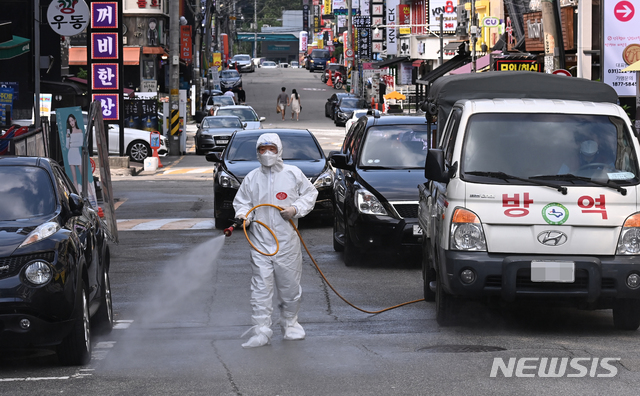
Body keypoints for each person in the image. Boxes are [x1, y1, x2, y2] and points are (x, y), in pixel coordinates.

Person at [233, 133, 318, 348]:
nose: (267, 153)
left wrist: (295, 209)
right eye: (262, 149)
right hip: (260, 241)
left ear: (279, 150)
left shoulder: (293, 174)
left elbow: (310, 193)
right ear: (257, 152)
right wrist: (244, 215)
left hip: (287, 241)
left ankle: (290, 324)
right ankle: (261, 330)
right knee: (261, 287)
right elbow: (242, 202)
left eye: (271, 148)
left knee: (289, 286)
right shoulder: (252, 178)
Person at [65, 114, 83, 192]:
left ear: (75, 120)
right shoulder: (69, 132)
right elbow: (67, 146)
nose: (71, 123)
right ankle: (77, 194)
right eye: (70, 121)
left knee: (83, 176)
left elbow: (80, 143)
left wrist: (72, 143)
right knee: (74, 178)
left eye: (72, 120)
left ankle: (91, 193)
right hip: (71, 154)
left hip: (77, 153)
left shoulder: (80, 131)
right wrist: (68, 138)